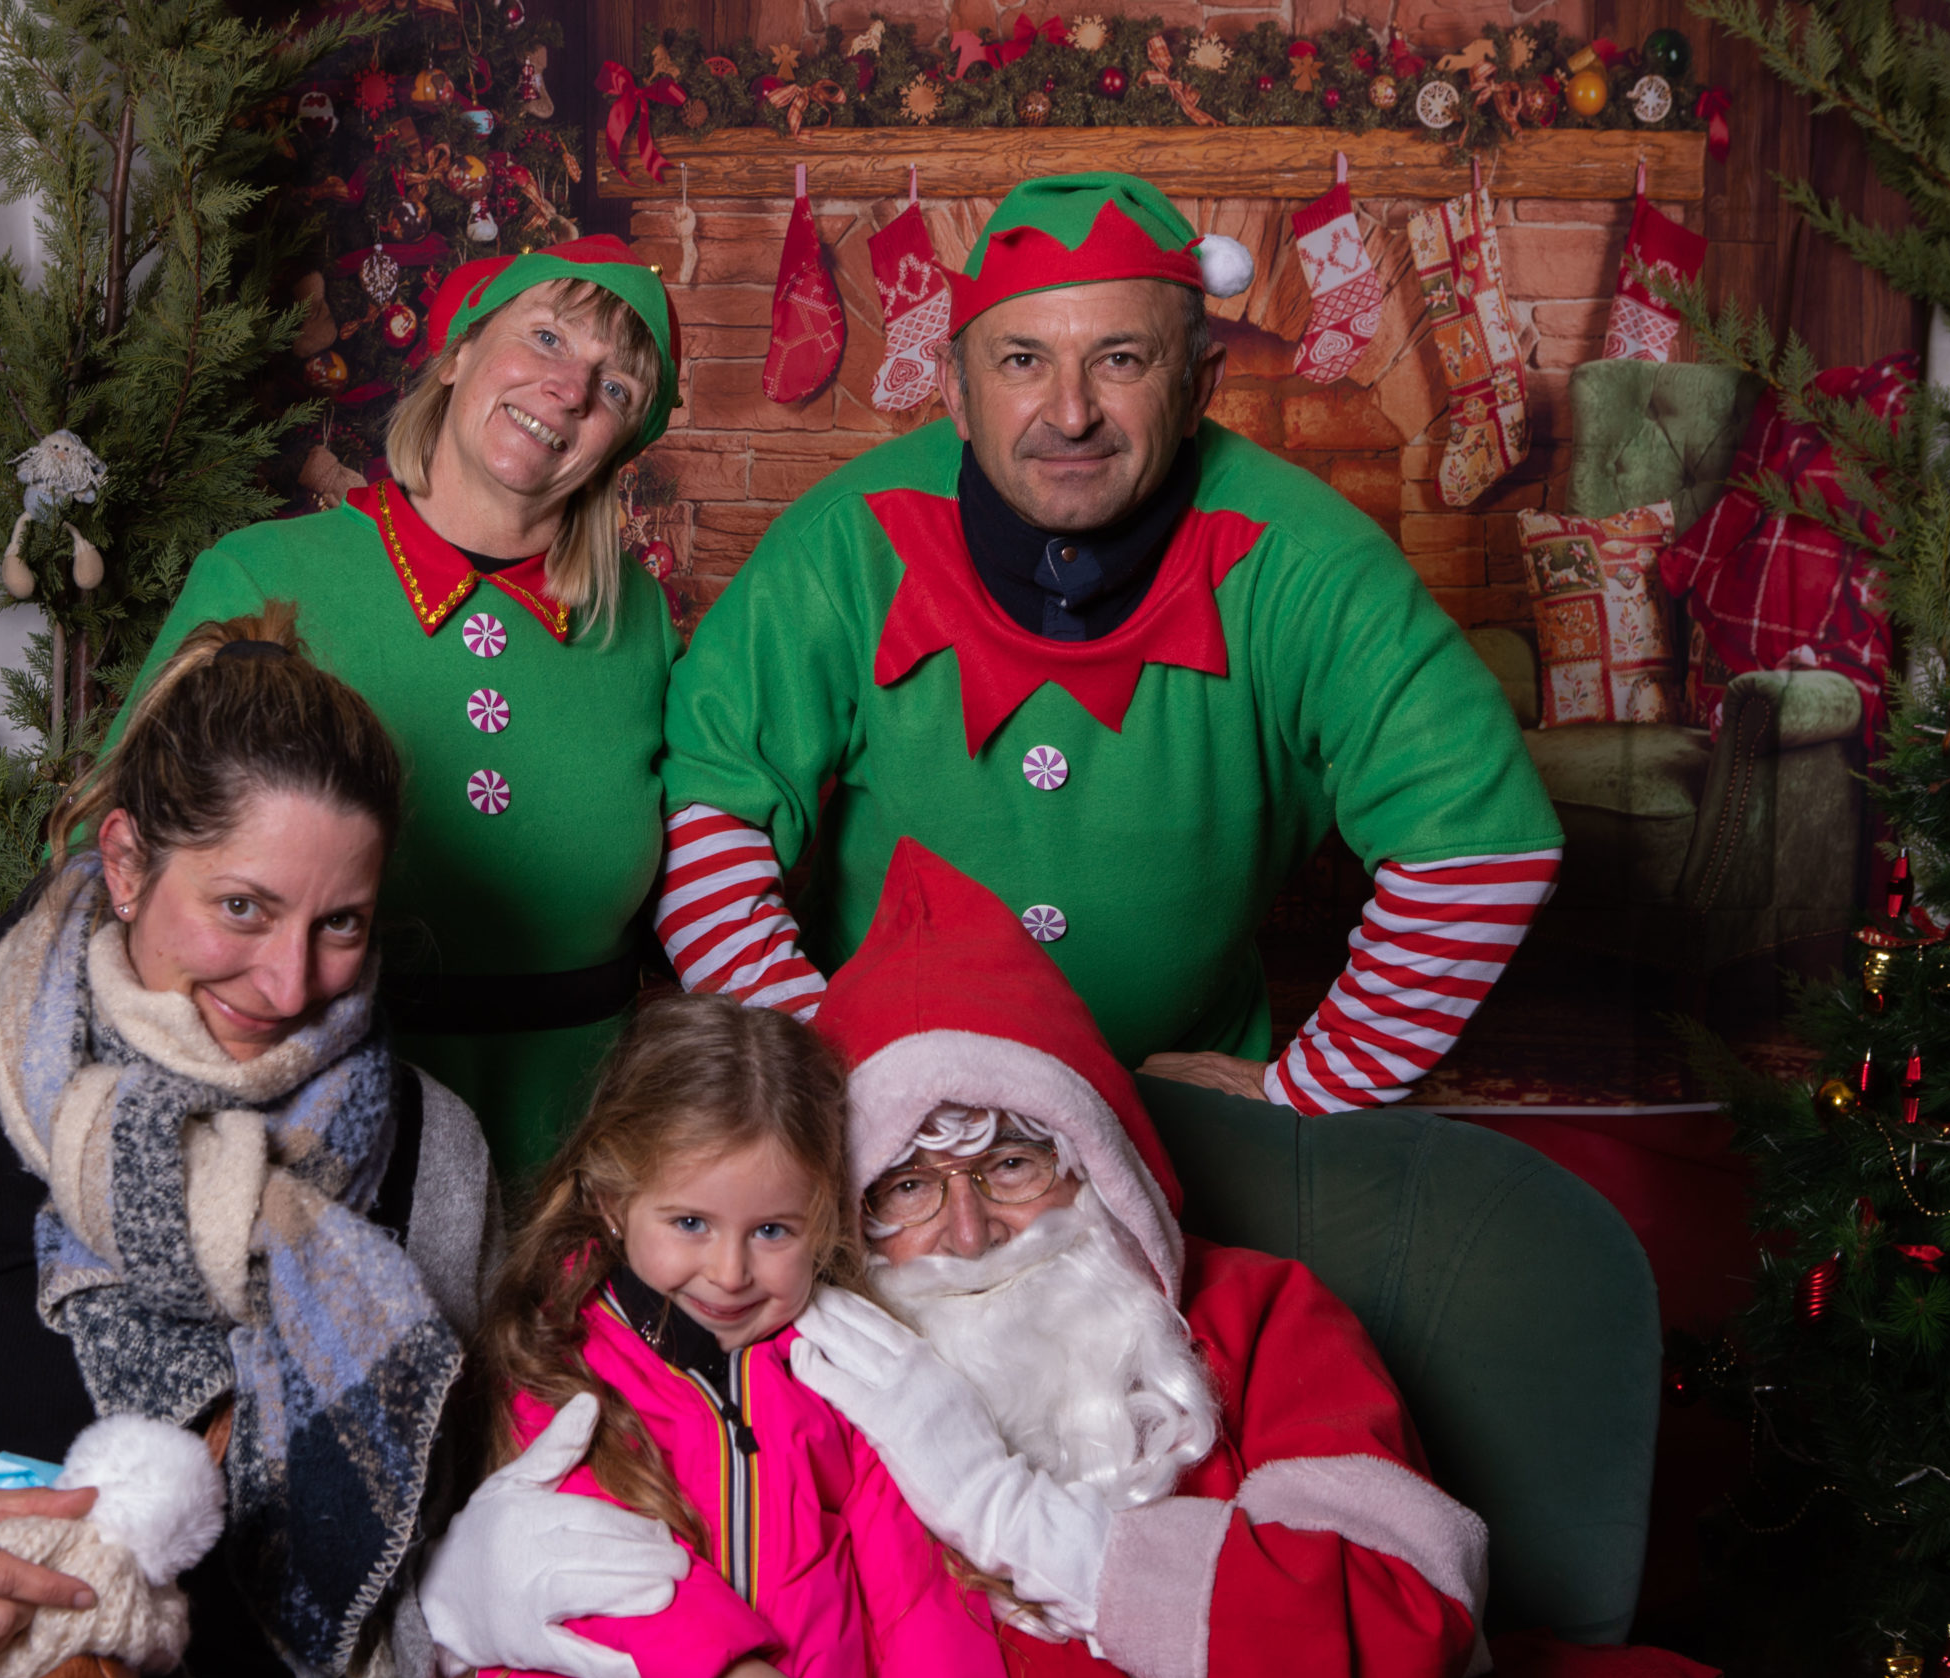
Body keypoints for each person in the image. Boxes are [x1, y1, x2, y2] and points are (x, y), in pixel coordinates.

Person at [427, 840, 1490, 1678]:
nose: (970, 1232)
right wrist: (456, 1611)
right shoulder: (792, 1374)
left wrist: (1012, 1512)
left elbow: (1407, 1632)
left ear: (1098, 1165)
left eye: (1013, 1164)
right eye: (908, 1188)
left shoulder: (1259, 1319)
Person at [0, 603, 498, 1678]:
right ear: (125, 863)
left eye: (340, 923)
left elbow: (475, 1527)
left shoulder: (433, 1148)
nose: (288, 984)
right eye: (242, 907)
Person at [654, 172, 1563, 1116]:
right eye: (1021, 361)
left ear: (1199, 387)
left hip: (1187, 1117)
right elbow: (708, 809)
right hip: (896, 1111)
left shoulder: (1310, 559)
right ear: (957, 394)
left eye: (1121, 359)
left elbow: (1481, 849)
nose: (1071, 412)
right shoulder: (844, 539)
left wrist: (1312, 1089)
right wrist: (832, 1080)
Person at [0, 235, 685, 1179]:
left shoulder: (644, 628)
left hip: (579, 1177)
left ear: (621, 444)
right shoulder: (264, 573)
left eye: (615, 387)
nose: (569, 389)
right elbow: (111, 849)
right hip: (296, 1161)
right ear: (461, 350)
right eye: (546, 337)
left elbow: (701, 887)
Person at [458, 990, 1012, 1678]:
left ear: (823, 1223)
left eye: (772, 1231)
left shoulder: (849, 1369)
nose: (729, 1273)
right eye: (690, 1223)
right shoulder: (555, 1348)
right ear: (613, 1202)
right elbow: (580, 1559)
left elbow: (920, 1601)